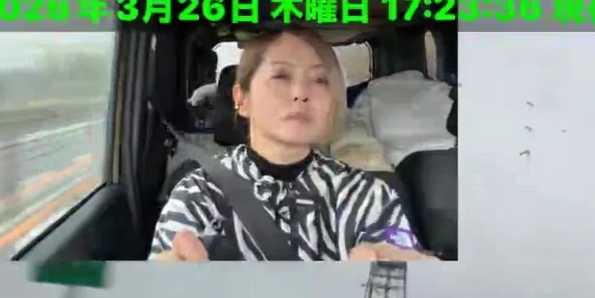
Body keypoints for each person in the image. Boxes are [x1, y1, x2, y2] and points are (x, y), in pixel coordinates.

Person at [150, 28, 433, 262]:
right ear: (242, 99)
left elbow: (404, 279)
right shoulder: (198, 195)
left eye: (319, 80)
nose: (300, 93)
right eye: (281, 76)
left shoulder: (368, 195)